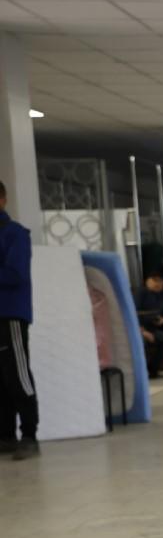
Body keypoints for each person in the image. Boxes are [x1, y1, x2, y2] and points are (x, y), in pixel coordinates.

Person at [0, 179, 38, 460]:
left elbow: (16, 274)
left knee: (17, 375)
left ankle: (28, 435)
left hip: (10, 314)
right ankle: (5, 436)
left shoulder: (14, 233)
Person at [137, 267, 163, 378]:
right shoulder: (141, 294)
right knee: (142, 342)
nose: (157, 283)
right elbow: (134, 314)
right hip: (140, 330)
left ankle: (152, 368)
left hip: (154, 330)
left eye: (160, 281)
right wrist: (143, 331)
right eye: (154, 280)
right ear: (147, 281)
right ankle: (142, 372)